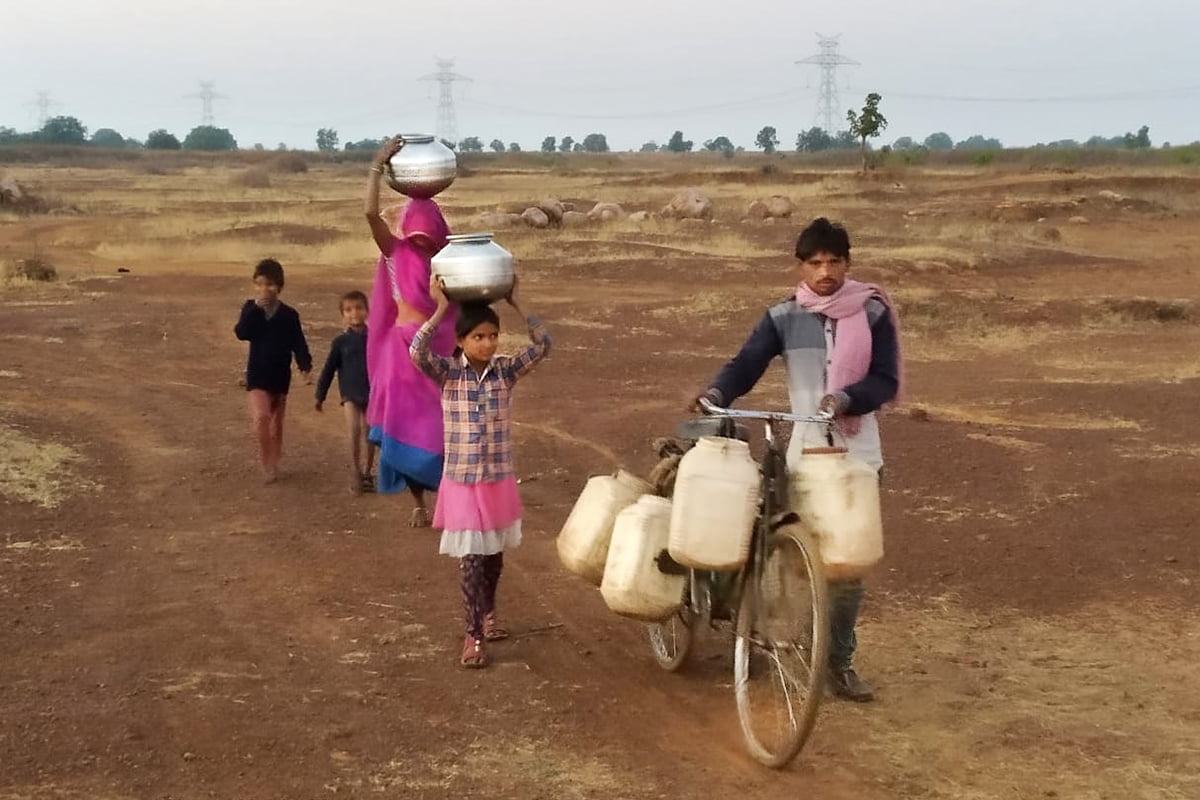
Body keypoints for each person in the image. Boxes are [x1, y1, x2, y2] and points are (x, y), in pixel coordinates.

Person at [693, 217, 901, 702]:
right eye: (815, 263)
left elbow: (887, 380)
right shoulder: (783, 316)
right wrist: (717, 391)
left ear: (849, 264)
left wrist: (847, 398)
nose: (825, 271)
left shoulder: (872, 313)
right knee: (783, 552)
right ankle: (772, 643)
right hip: (804, 456)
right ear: (800, 266)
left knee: (847, 567)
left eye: (834, 262)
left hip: (857, 458)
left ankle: (838, 662)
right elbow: (747, 362)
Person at [411, 275, 551, 669]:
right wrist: (440, 307)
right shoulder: (448, 374)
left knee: (493, 557)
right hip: (462, 481)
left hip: (497, 478)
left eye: (493, 336)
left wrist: (518, 301)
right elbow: (416, 351)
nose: (488, 344)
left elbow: (544, 345)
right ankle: (472, 634)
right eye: (479, 337)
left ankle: (488, 614)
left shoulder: (505, 372)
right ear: (460, 341)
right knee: (472, 558)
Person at [363, 136, 458, 526]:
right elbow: (370, 213)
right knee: (406, 426)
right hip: (401, 353)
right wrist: (375, 166)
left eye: (427, 222)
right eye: (414, 222)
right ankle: (419, 503)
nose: (420, 228)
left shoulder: (449, 260)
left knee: (440, 429)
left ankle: (445, 502)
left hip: (437, 353)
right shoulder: (394, 251)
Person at [234, 258, 313, 484]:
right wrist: (256, 311)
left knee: (276, 424)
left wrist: (305, 367)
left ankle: (275, 460)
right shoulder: (250, 309)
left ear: (279, 286)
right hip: (257, 374)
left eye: (269, 285)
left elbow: (298, 342)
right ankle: (265, 461)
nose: (264, 290)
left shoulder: (289, 315)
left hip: (279, 377)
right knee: (261, 417)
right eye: (259, 284)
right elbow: (241, 332)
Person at [315, 290, 376, 495]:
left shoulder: (375, 339)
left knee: (370, 433)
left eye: (358, 308)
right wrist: (320, 395)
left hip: (371, 392)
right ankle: (356, 472)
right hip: (349, 393)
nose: (354, 313)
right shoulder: (340, 342)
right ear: (342, 314)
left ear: (367, 311)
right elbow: (329, 369)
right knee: (353, 431)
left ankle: (368, 473)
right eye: (348, 310)